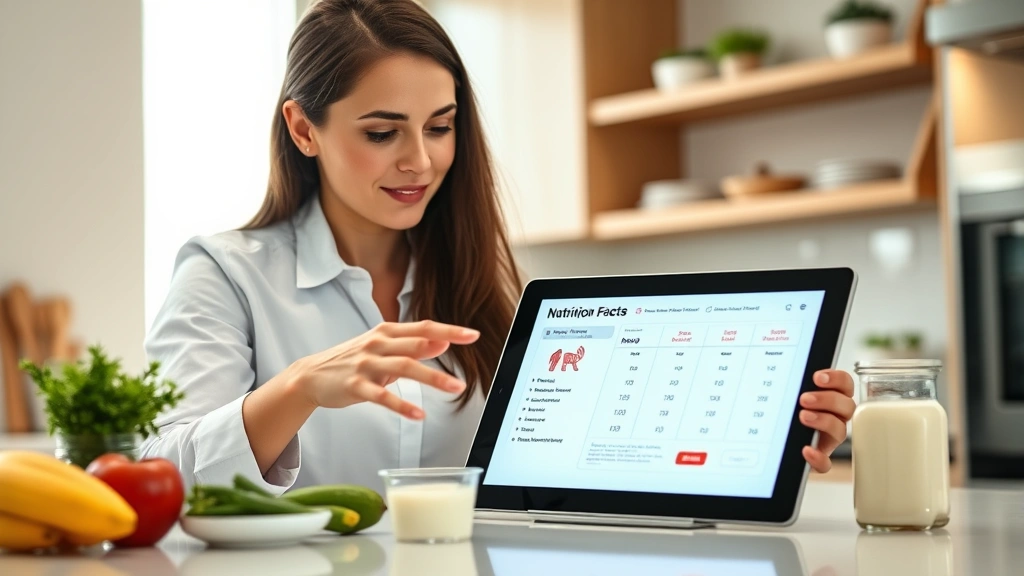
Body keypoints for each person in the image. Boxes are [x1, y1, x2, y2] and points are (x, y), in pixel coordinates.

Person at [139, 0, 856, 494]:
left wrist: (769, 432)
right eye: (382, 132)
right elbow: (159, 470)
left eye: (441, 125)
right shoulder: (222, 273)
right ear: (303, 129)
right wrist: (297, 388)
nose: (419, 160)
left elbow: (580, 467)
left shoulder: (487, 281)